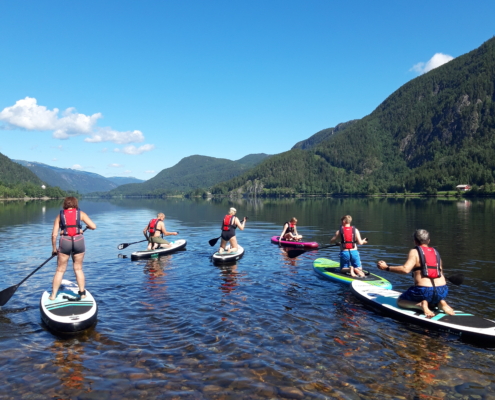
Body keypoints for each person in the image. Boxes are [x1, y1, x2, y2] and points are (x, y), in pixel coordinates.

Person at [377, 229, 455, 318]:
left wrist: (386, 267)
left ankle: (420, 305)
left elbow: (406, 269)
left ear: (415, 241)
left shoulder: (414, 251)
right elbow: (440, 272)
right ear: (429, 240)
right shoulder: (436, 252)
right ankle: (441, 302)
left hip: (424, 290)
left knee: (400, 301)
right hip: (442, 290)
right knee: (432, 296)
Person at [49, 197, 96, 300]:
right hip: (79, 241)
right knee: (78, 269)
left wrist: (54, 249)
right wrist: (87, 227)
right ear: (75, 204)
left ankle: (53, 295)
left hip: (65, 242)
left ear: (65, 204)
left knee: (60, 270)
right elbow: (93, 226)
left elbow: (54, 235)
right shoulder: (81, 214)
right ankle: (82, 293)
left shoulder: (59, 216)